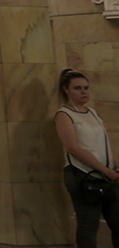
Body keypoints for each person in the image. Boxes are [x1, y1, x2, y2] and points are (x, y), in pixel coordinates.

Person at [55, 68, 119, 247]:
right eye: (78, 88)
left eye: (86, 88)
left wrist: (116, 165)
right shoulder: (64, 114)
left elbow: (105, 143)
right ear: (66, 89)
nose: (84, 92)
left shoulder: (93, 112)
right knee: (89, 225)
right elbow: (73, 148)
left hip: (107, 176)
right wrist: (103, 169)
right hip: (82, 175)